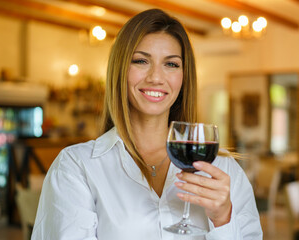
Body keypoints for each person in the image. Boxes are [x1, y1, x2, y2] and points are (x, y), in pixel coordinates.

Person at [31, 8, 262, 240]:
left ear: (184, 76)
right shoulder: (76, 167)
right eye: (141, 61)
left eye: (171, 64)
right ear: (120, 70)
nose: (156, 77)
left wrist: (223, 219)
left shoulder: (224, 170)